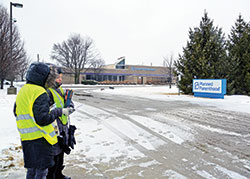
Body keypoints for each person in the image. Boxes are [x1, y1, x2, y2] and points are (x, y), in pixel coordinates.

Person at [13, 62, 74, 179]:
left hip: (26, 138)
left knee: (31, 170)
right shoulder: (40, 92)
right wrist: (58, 112)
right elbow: (43, 119)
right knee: (41, 172)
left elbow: (16, 111)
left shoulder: (23, 90)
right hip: (41, 138)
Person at [47, 67, 74, 179]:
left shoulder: (62, 90)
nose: (60, 80)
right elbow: (46, 111)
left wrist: (71, 107)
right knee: (54, 154)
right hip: (54, 127)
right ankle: (52, 175)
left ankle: (59, 174)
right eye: (58, 77)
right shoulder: (48, 92)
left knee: (62, 151)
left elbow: (69, 102)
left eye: (61, 77)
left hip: (63, 126)